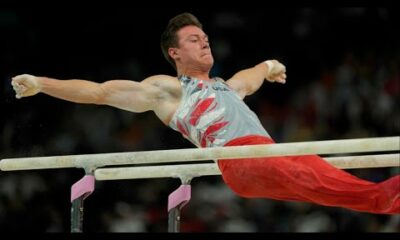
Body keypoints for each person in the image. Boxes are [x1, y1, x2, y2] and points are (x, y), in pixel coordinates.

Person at [11, 12, 399, 215]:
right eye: (194, 40)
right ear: (175, 53)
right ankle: (386, 197)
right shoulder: (168, 90)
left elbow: (249, 78)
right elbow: (98, 93)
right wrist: (43, 83)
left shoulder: (224, 88)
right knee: (310, 169)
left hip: (259, 158)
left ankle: (388, 200)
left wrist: (269, 65)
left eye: (206, 38)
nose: (204, 43)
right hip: (241, 160)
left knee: (319, 181)